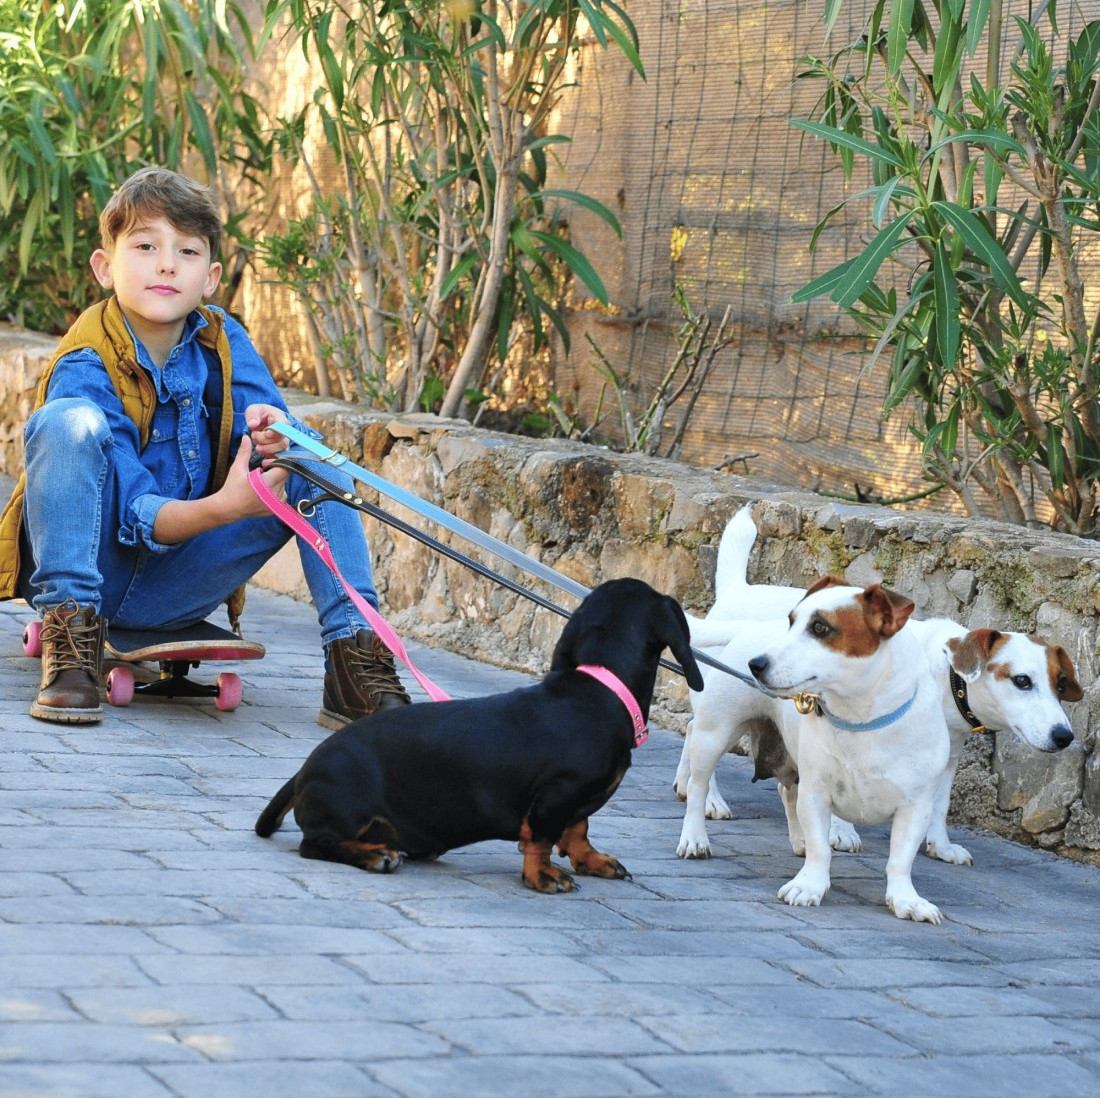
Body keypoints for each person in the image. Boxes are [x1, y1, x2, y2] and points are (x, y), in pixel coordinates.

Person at [0, 166, 410, 726]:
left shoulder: (223, 338)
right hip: (99, 575)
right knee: (66, 420)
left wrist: (270, 434)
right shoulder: (86, 361)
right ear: (104, 266)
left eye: (187, 252)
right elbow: (138, 512)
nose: (167, 263)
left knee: (304, 451)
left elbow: (271, 441)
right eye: (145, 246)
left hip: (180, 583)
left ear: (211, 276)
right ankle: (71, 644)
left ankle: (356, 660)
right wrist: (230, 507)